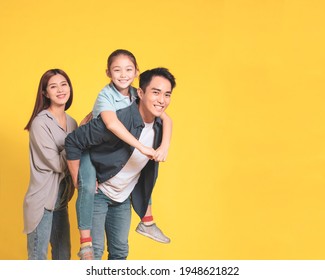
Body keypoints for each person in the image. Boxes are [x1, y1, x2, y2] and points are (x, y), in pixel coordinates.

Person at [65, 67, 176, 260]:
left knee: (120, 253)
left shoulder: (160, 126)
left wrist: (165, 144)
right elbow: (72, 141)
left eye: (167, 95)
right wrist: (79, 182)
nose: (161, 100)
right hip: (99, 193)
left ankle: (147, 223)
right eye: (156, 92)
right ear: (140, 93)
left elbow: (168, 120)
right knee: (95, 254)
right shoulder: (118, 120)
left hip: (123, 197)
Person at [23, 69, 78, 260]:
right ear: (45, 93)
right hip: (42, 202)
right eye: (53, 86)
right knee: (38, 259)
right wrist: (79, 138)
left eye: (64, 84)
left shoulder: (71, 122)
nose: (60, 90)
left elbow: (78, 160)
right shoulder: (40, 123)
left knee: (63, 256)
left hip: (61, 200)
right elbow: (58, 163)